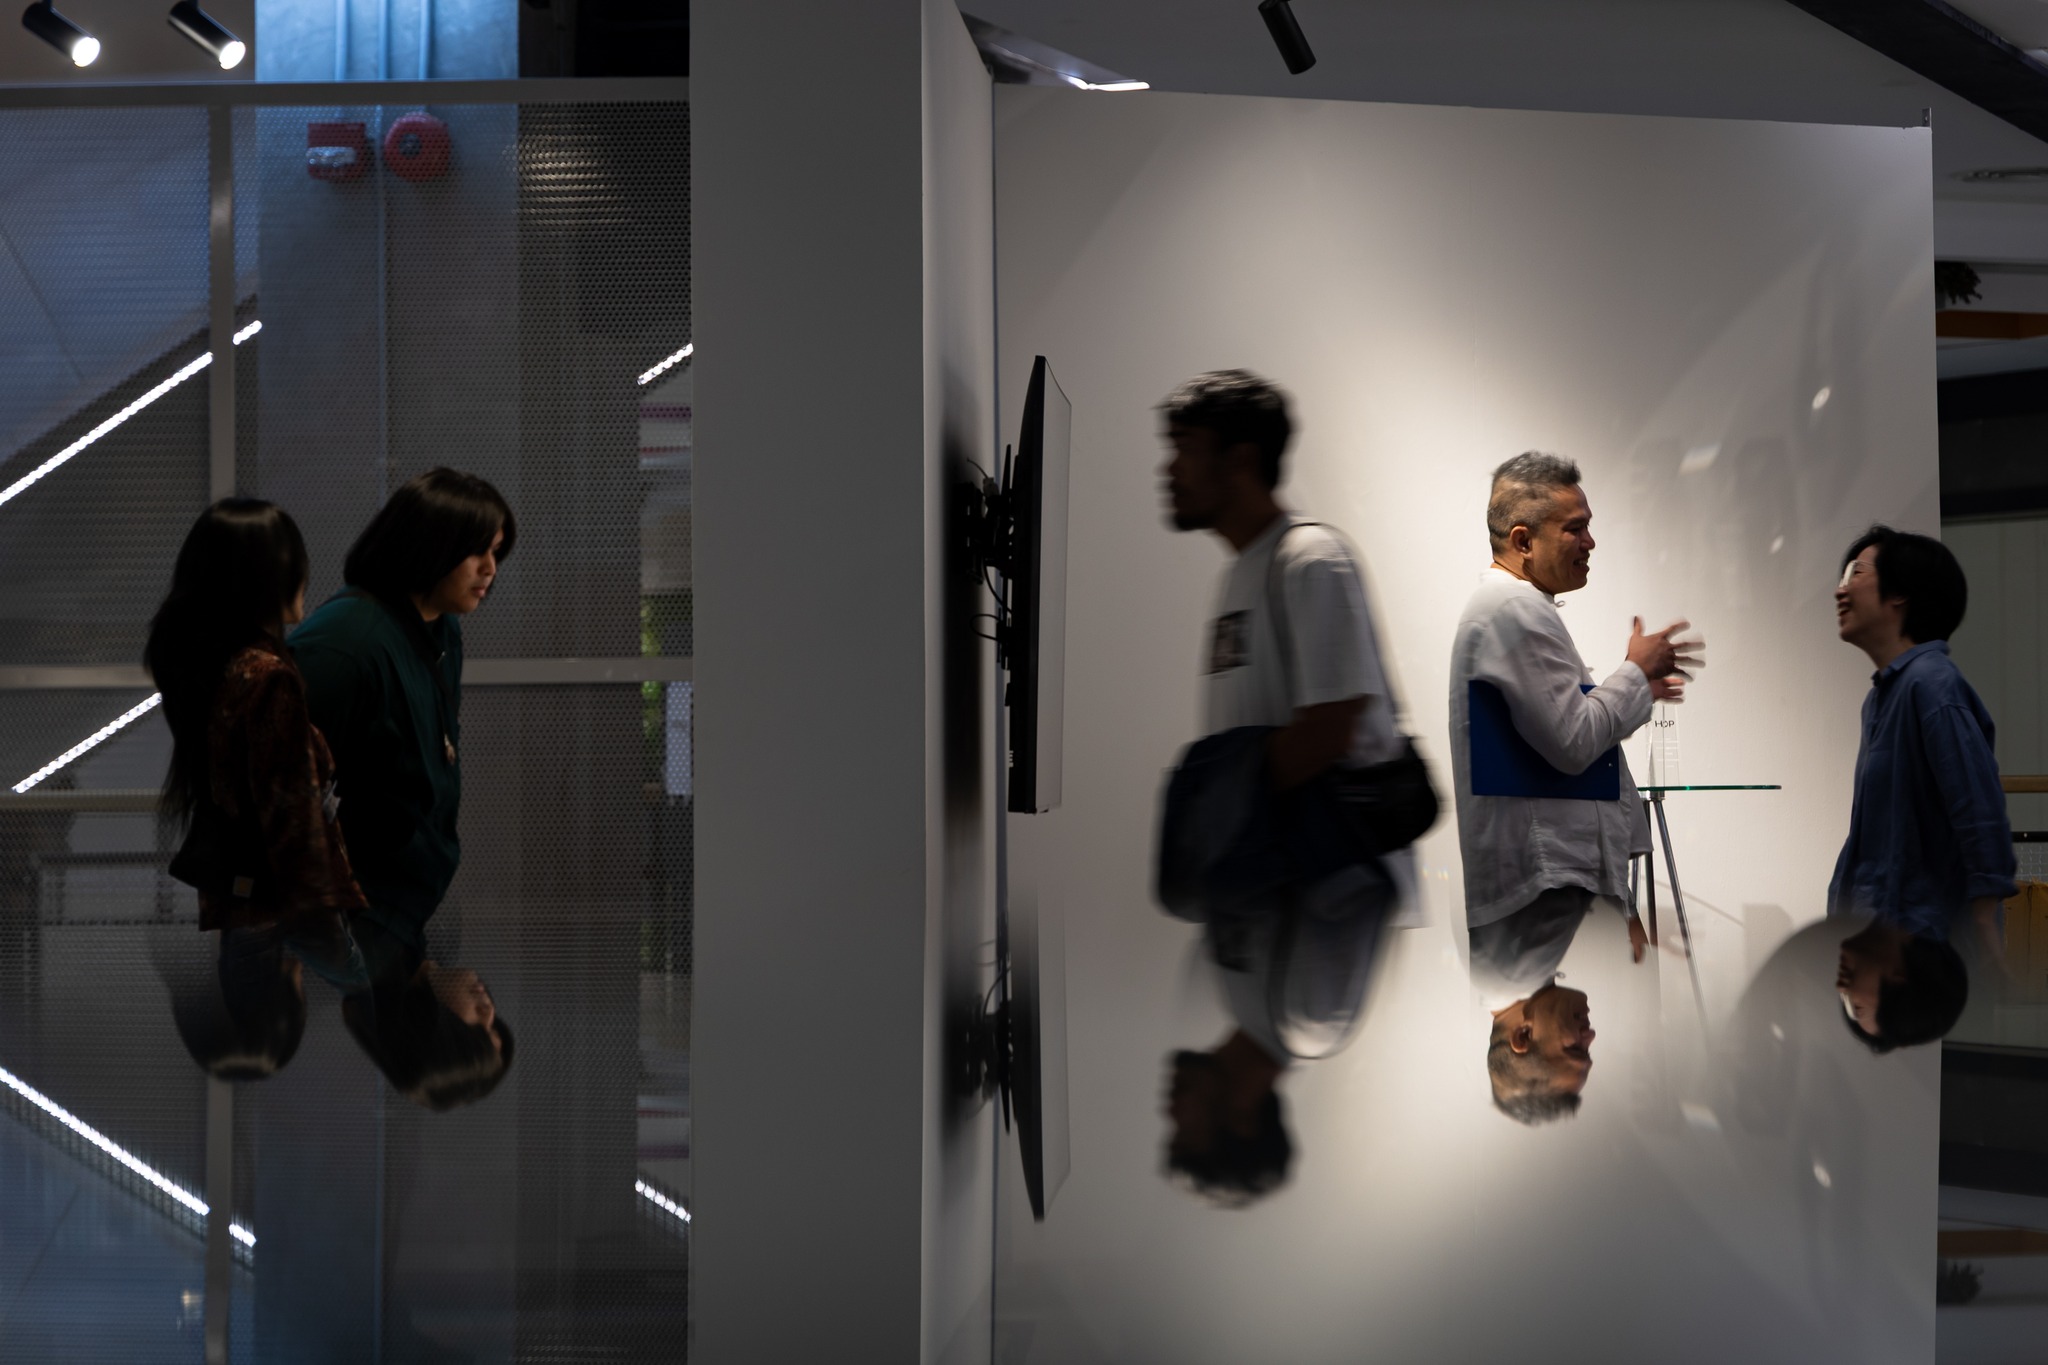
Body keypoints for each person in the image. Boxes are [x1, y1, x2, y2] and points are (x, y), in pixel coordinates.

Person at [1155, 369, 1407, 1198]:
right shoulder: (1244, 572)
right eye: (1185, 1128)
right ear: (1237, 1116)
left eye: (1183, 450)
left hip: (1332, 879)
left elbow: (1332, 728)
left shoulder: (1310, 561)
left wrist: (1211, 822)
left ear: (1241, 459)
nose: (1168, 469)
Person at [1448, 452, 1700, 1123]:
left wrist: (1633, 685)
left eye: (1575, 1049)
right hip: (1546, 892)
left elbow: (1574, 746)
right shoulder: (1513, 611)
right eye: (1576, 527)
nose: (1591, 541)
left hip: (1549, 894)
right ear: (1523, 541)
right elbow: (1574, 739)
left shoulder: (1515, 610)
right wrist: (1633, 673)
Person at [290, 468, 514, 989]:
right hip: (346, 921)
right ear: (427, 547)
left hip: (401, 910)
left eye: (496, 552)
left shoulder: (440, 627)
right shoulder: (346, 644)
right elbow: (277, 802)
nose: (490, 569)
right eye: (475, 551)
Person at [144, 499, 367, 990]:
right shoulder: (266, 678)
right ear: (259, 578)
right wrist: (341, 957)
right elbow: (293, 826)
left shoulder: (212, 670)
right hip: (282, 919)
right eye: (293, 565)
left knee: (253, 1019)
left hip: (241, 905)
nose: (303, 578)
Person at [1828, 524, 2010, 1049]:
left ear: (1900, 595)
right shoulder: (1885, 696)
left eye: (1856, 573)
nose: (1841, 589)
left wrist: (1985, 923)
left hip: (1924, 948)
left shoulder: (1932, 685)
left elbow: (1978, 806)